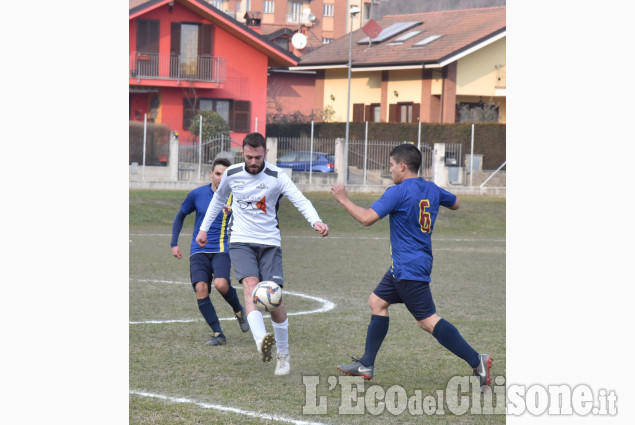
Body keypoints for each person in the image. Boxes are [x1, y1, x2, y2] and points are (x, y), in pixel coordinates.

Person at [330, 143, 492, 391]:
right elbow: (456, 202)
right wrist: (433, 199)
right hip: (409, 264)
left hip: (409, 268)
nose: (391, 169)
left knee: (427, 321)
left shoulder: (397, 192)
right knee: (377, 301)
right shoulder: (431, 188)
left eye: (392, 165)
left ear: (402, 166)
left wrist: (343, 199)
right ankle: (366, 364)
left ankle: (477, 360)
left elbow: (366, 218)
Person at [196, 132, 329, 375]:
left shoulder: (277, 176)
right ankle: (261, 342)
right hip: (241, 241)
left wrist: (316, 221)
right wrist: (204, 228)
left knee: (274, 300)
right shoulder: (232, 173)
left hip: (269, 243)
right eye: (249, 157)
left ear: (265, 153)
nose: (253, 162)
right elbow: (218, 200)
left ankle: (283, 354)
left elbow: (300, 199)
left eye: (257, 157)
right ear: (243, 153)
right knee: (250, 285)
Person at [171, 158, 250, 346]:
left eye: (225, 174)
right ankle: (218, 334)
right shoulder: (197, 194)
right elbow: (180, 216)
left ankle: (239, 311)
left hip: (222, 249)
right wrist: (174, 243)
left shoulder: (235, 197)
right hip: (198, 250)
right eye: (217, 173)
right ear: (211, 174)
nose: (221, 178)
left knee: (222, 285)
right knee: (201, 288)